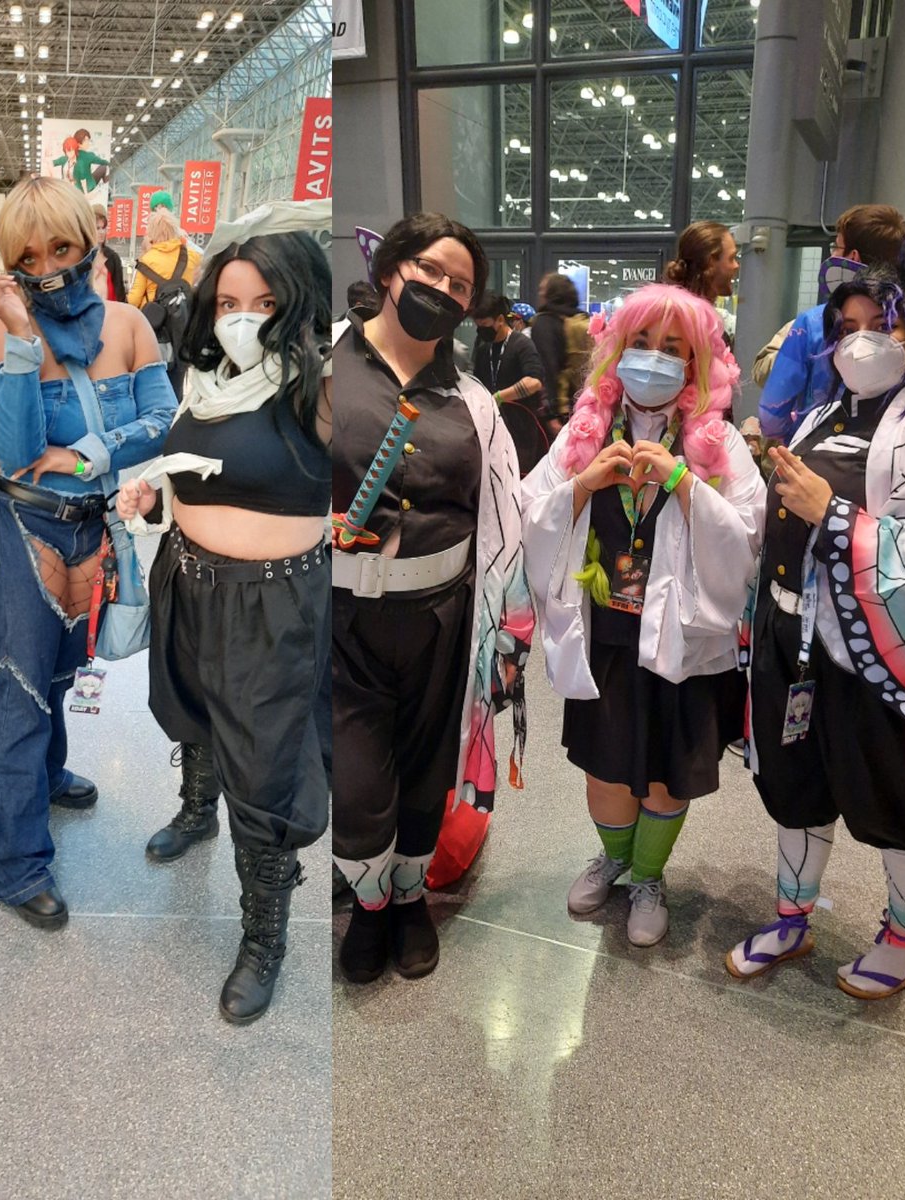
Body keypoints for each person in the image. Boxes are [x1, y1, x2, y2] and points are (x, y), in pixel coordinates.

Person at [115, 212, 331, 1024]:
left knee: (266, 767)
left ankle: (264, 936)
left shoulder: (316, 389)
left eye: (265, 302)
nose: (243, 319)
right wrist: (153, 495)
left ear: (298, 303)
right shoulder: (204, 380)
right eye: (229, 302)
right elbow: (202, 469)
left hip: (273, 603)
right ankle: (197, 809)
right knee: (194, 709)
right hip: (187, 578)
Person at [522, 283, 765, 946]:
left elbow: (748, 538)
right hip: (605, 636)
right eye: (641, 343)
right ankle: (615, 858)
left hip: (683, 643)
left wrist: (684, 484)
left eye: (672, 348)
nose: (654, 358)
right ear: (617, 349)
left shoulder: (718, 443)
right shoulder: (585, 435)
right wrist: (582, 485)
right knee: (605, 768)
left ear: (695, 362)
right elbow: (530, 514)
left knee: (663, 774)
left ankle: (650, 877)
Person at [0, 176, 175, 930]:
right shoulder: (3, 333)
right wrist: (23, 338)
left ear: (90, 242)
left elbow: (163, 418)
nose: (48, 268)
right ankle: (13, 864)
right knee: (19, 689)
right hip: (20, 529)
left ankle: (47, 777)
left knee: (57, 674)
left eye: (61, 248)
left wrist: (89, 454)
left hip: (94, 527)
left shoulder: (128, 324)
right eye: (28, 256)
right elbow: (18, 449)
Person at [331, 212, 535, 984]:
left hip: (444, 617)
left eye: (460, 283)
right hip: (341, 620)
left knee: (427, 770)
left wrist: (509, 632)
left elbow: (508, 511)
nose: (442, 289)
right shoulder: (323, 371)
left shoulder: (474, 401)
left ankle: (410, 898)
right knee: (354, 783)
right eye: (429, 271)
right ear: (390, 270)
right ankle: (370, 902)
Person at [726, 252, 905, 999]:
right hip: (790, 637)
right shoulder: (821, 414)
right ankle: (792, 917)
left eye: (882, 326)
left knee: (891, 796)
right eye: (848, 327)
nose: (862, 341)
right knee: (795, 785)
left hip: (873, 654)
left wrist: (835, 516)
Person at [753, 204, 905, 439]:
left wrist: (793, 435)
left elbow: (772, 411)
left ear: (853, 256)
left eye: (836, 247)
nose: (832, 254)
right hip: (890, 449)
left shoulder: (814, 322)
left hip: (814, 448)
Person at [470, 291, 548, 476]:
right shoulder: (484, 349)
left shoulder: (522, 345)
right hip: (491, 430)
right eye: (478, 326)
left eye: (484, 325)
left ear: (500, 320)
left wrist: (498, 397)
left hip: (521, 431)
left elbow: (534, 382)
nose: (481, 330)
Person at [130, 208, 203, 399]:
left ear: (152, 233)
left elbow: (134, 300)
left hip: (154, 332)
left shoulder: (148, 260)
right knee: (178, 382)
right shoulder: (191, 257)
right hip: (182, 329)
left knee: (152, 381)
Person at [529, 273, 593, 425]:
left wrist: (551, 415)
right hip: (587, 404)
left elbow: (547, 369)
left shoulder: (543, 323)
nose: (539, 294)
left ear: (551, 294)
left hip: (561, 409)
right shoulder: (584, 319)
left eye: (542, 290)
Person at [664, 221, 739, 304]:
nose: (736, 266)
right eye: (731, 258)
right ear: (710, 262)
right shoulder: (689, 310)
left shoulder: (677, 306)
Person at [91, 204, 128, 303]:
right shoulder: (82, 257)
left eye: (104, 228)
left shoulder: (113, 258)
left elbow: (120, 293)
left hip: (111, 309)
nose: (102, 232)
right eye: (97, 228)